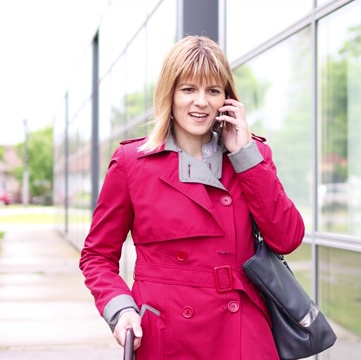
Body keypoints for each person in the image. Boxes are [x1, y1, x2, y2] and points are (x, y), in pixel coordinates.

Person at [79, 35, 305, 359]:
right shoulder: (132, 163)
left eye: (212, 91)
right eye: (188, 89)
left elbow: (288, 238)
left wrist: (245, 156)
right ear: (169, 94)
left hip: (242, 333)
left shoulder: (252, 155)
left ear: (227, 99)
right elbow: (97, 256)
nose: (201, 102)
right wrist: (121, 310)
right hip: (166, 334)